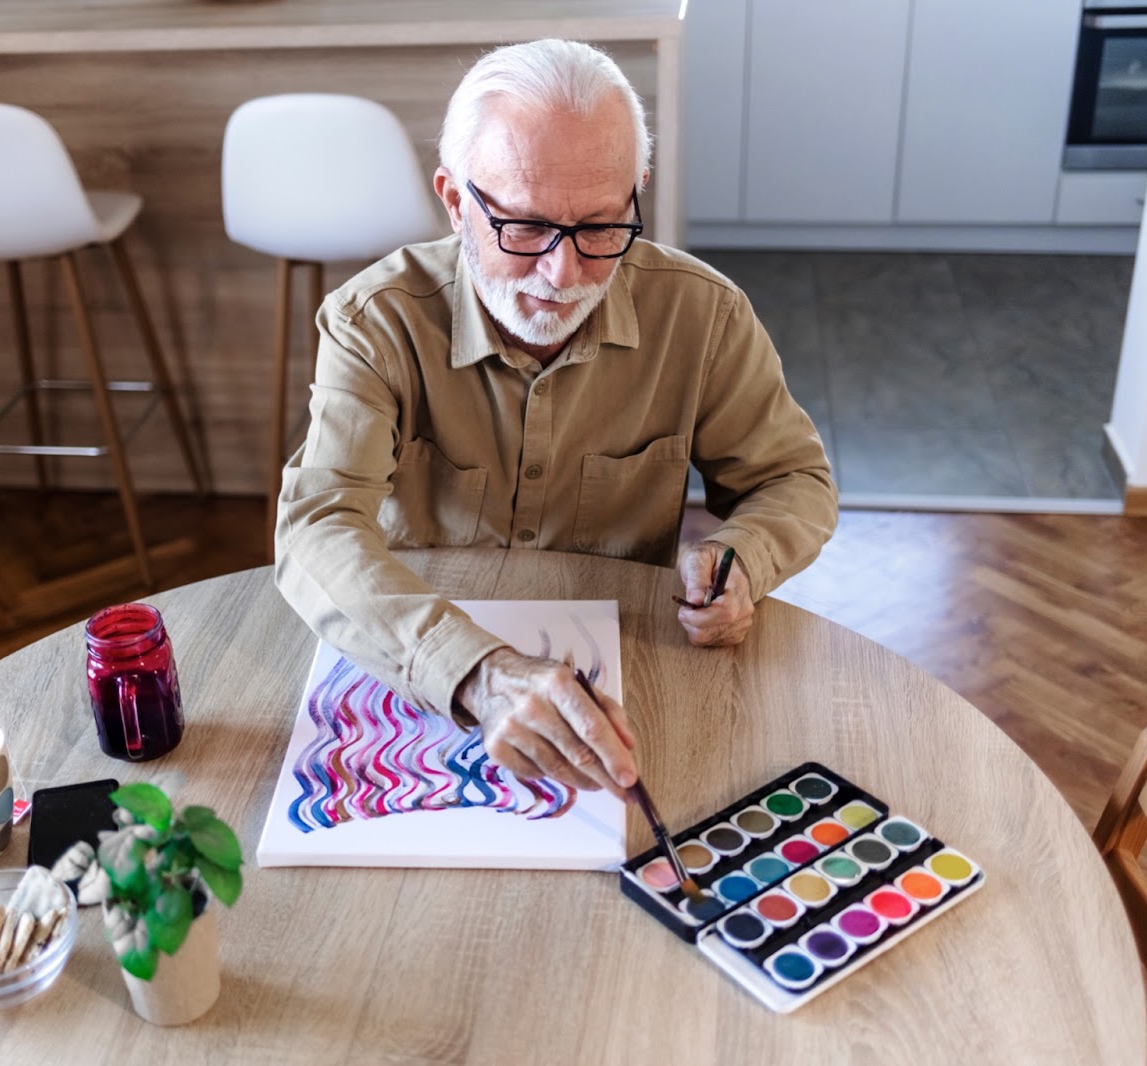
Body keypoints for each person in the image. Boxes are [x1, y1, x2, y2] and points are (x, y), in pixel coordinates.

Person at [274, 39, 838, 797]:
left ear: (637, 189)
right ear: (454, 201)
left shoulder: (703, 315)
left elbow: (793, 479)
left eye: (601, 228)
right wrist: (475, 672)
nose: (562, 275)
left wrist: (745, 559)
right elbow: (315, 527)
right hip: (418, 664)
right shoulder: (376, 323)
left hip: (633, 673)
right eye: (525, 229)